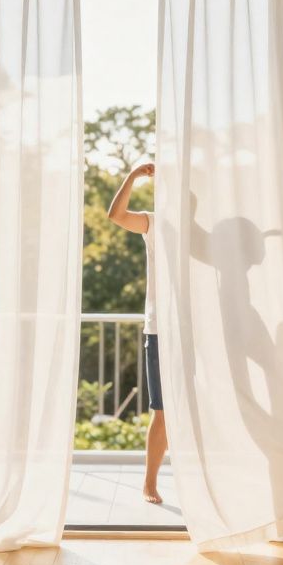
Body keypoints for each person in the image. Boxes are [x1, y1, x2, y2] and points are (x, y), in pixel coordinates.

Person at [106, 161, 167, 504]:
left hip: (196, 333)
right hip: (160, 331)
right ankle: (149, 483)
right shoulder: (155, 223)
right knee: (164, 411)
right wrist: (133, 176)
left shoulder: (202, 231)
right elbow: (116, 215)